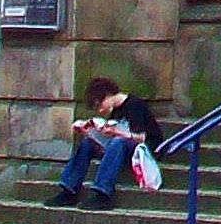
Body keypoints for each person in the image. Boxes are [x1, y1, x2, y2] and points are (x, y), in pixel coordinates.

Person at [46, 76, 163, 209]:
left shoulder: (134, 105)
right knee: (87, 143)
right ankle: (69, 189)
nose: (100, 111)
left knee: (118, 142)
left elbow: (141, 137)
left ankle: (103, 193)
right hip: (121, 147)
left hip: (145, 149)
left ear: (108, 95)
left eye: (100, 105)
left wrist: (116, 132)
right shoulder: (115, 111)